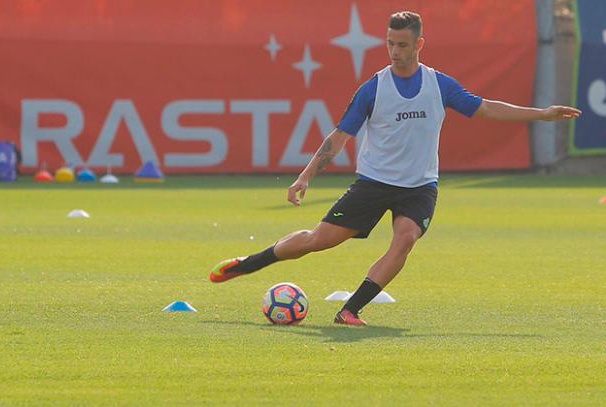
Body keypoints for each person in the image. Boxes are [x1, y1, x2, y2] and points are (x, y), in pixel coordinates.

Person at [209, 11, 581, 326]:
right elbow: (338, 138)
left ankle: (350, 310)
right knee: (317, 241)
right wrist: (306, 176)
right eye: (390, 43)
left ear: (419, 44)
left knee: (405, 240)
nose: (395, 51)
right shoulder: (373, 88)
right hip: (374, 183)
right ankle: (248, 264)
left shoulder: (440, 85)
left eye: (403, 45)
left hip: (420, 187)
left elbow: (485, 107)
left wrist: (542, 114)